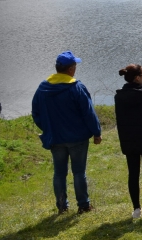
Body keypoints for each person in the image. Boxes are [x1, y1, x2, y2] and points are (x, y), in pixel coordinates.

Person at [32, 51, 102, 214]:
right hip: (77, 138)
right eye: (75, 65)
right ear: (71, 69)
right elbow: (88, 113)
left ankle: (62, 206)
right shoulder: (76, 87)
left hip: (55, 138)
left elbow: (35, 112)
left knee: (59, 173)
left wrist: (47, 128)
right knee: (78, 172)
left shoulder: (43, 88)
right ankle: (83, 205)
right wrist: (96, 132)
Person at [114, 64, 142, 219]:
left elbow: (119, 121)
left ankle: (136, 209)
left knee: (133, 174)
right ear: (137, 78)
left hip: (129, 140)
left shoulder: (119, 97)